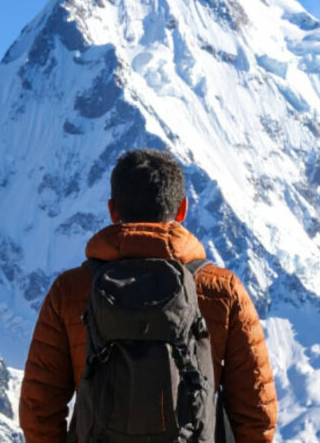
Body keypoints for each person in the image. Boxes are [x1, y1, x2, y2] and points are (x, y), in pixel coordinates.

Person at [19, 149, 278, 443]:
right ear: (182, 210)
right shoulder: (222, 290)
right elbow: (257, 411)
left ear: (113, 210)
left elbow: (38, 408)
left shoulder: (70, 290)